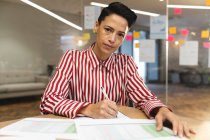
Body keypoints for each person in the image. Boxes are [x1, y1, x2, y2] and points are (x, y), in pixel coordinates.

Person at [40, 2, 195, 138]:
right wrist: (89, 108)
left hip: (115, 133)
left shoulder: (125, 63)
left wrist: (161, 109)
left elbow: (144, 98)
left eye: (120, 34)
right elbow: (48, 101)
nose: (112, 39)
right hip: (79, 134)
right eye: (108, 29)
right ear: (96, 26)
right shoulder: (72, 58)